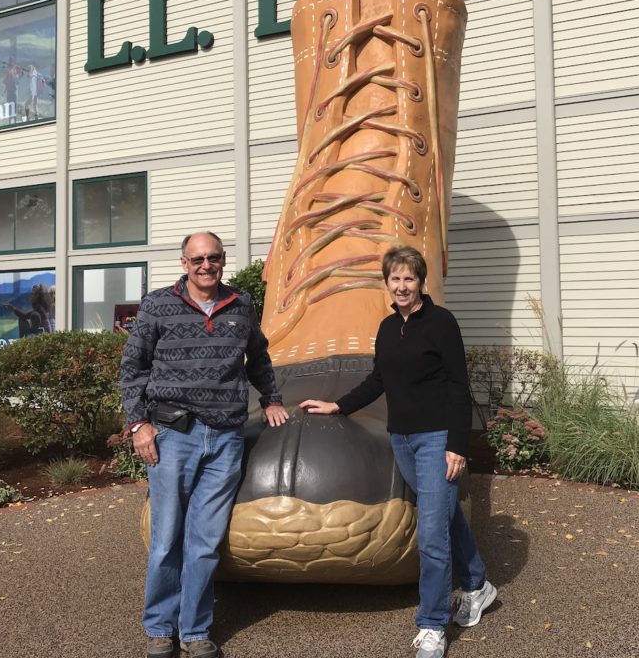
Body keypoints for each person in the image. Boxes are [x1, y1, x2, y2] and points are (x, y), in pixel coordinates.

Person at [301, 245, 497, 658]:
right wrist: (338, 405)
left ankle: (432, 625)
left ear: (421, 282)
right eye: (396, 279)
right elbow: (379, 379)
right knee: (444, 515)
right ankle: (477, 584)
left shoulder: (442, 323)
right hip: (402, 440)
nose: (403, 286)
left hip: (436, 439)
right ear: (387, 283)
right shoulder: (389, 327)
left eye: (410, 278)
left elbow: (458, 386)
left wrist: (456, 445)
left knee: (431, 533)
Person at [121, 231, 289, 658]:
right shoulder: (158, 304)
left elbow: (259, 357)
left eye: (213, 257)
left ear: (223, 260)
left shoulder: (241, 303)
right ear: (184, 263)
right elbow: (133, 367)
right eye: (197, 259)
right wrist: (138, 424)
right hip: (173, 436)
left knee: (205, 541)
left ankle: (195, 631)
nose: (206, 265)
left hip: (226, 438)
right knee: (166, 539)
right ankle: (160, 628)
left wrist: (271, 399)